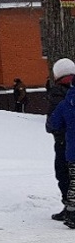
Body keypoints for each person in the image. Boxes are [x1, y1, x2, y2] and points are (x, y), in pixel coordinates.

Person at [46, 60, 75, 229]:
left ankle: (70, 210)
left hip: (67, 144)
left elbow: (52, 123)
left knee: (66, 176)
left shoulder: (59, 95)